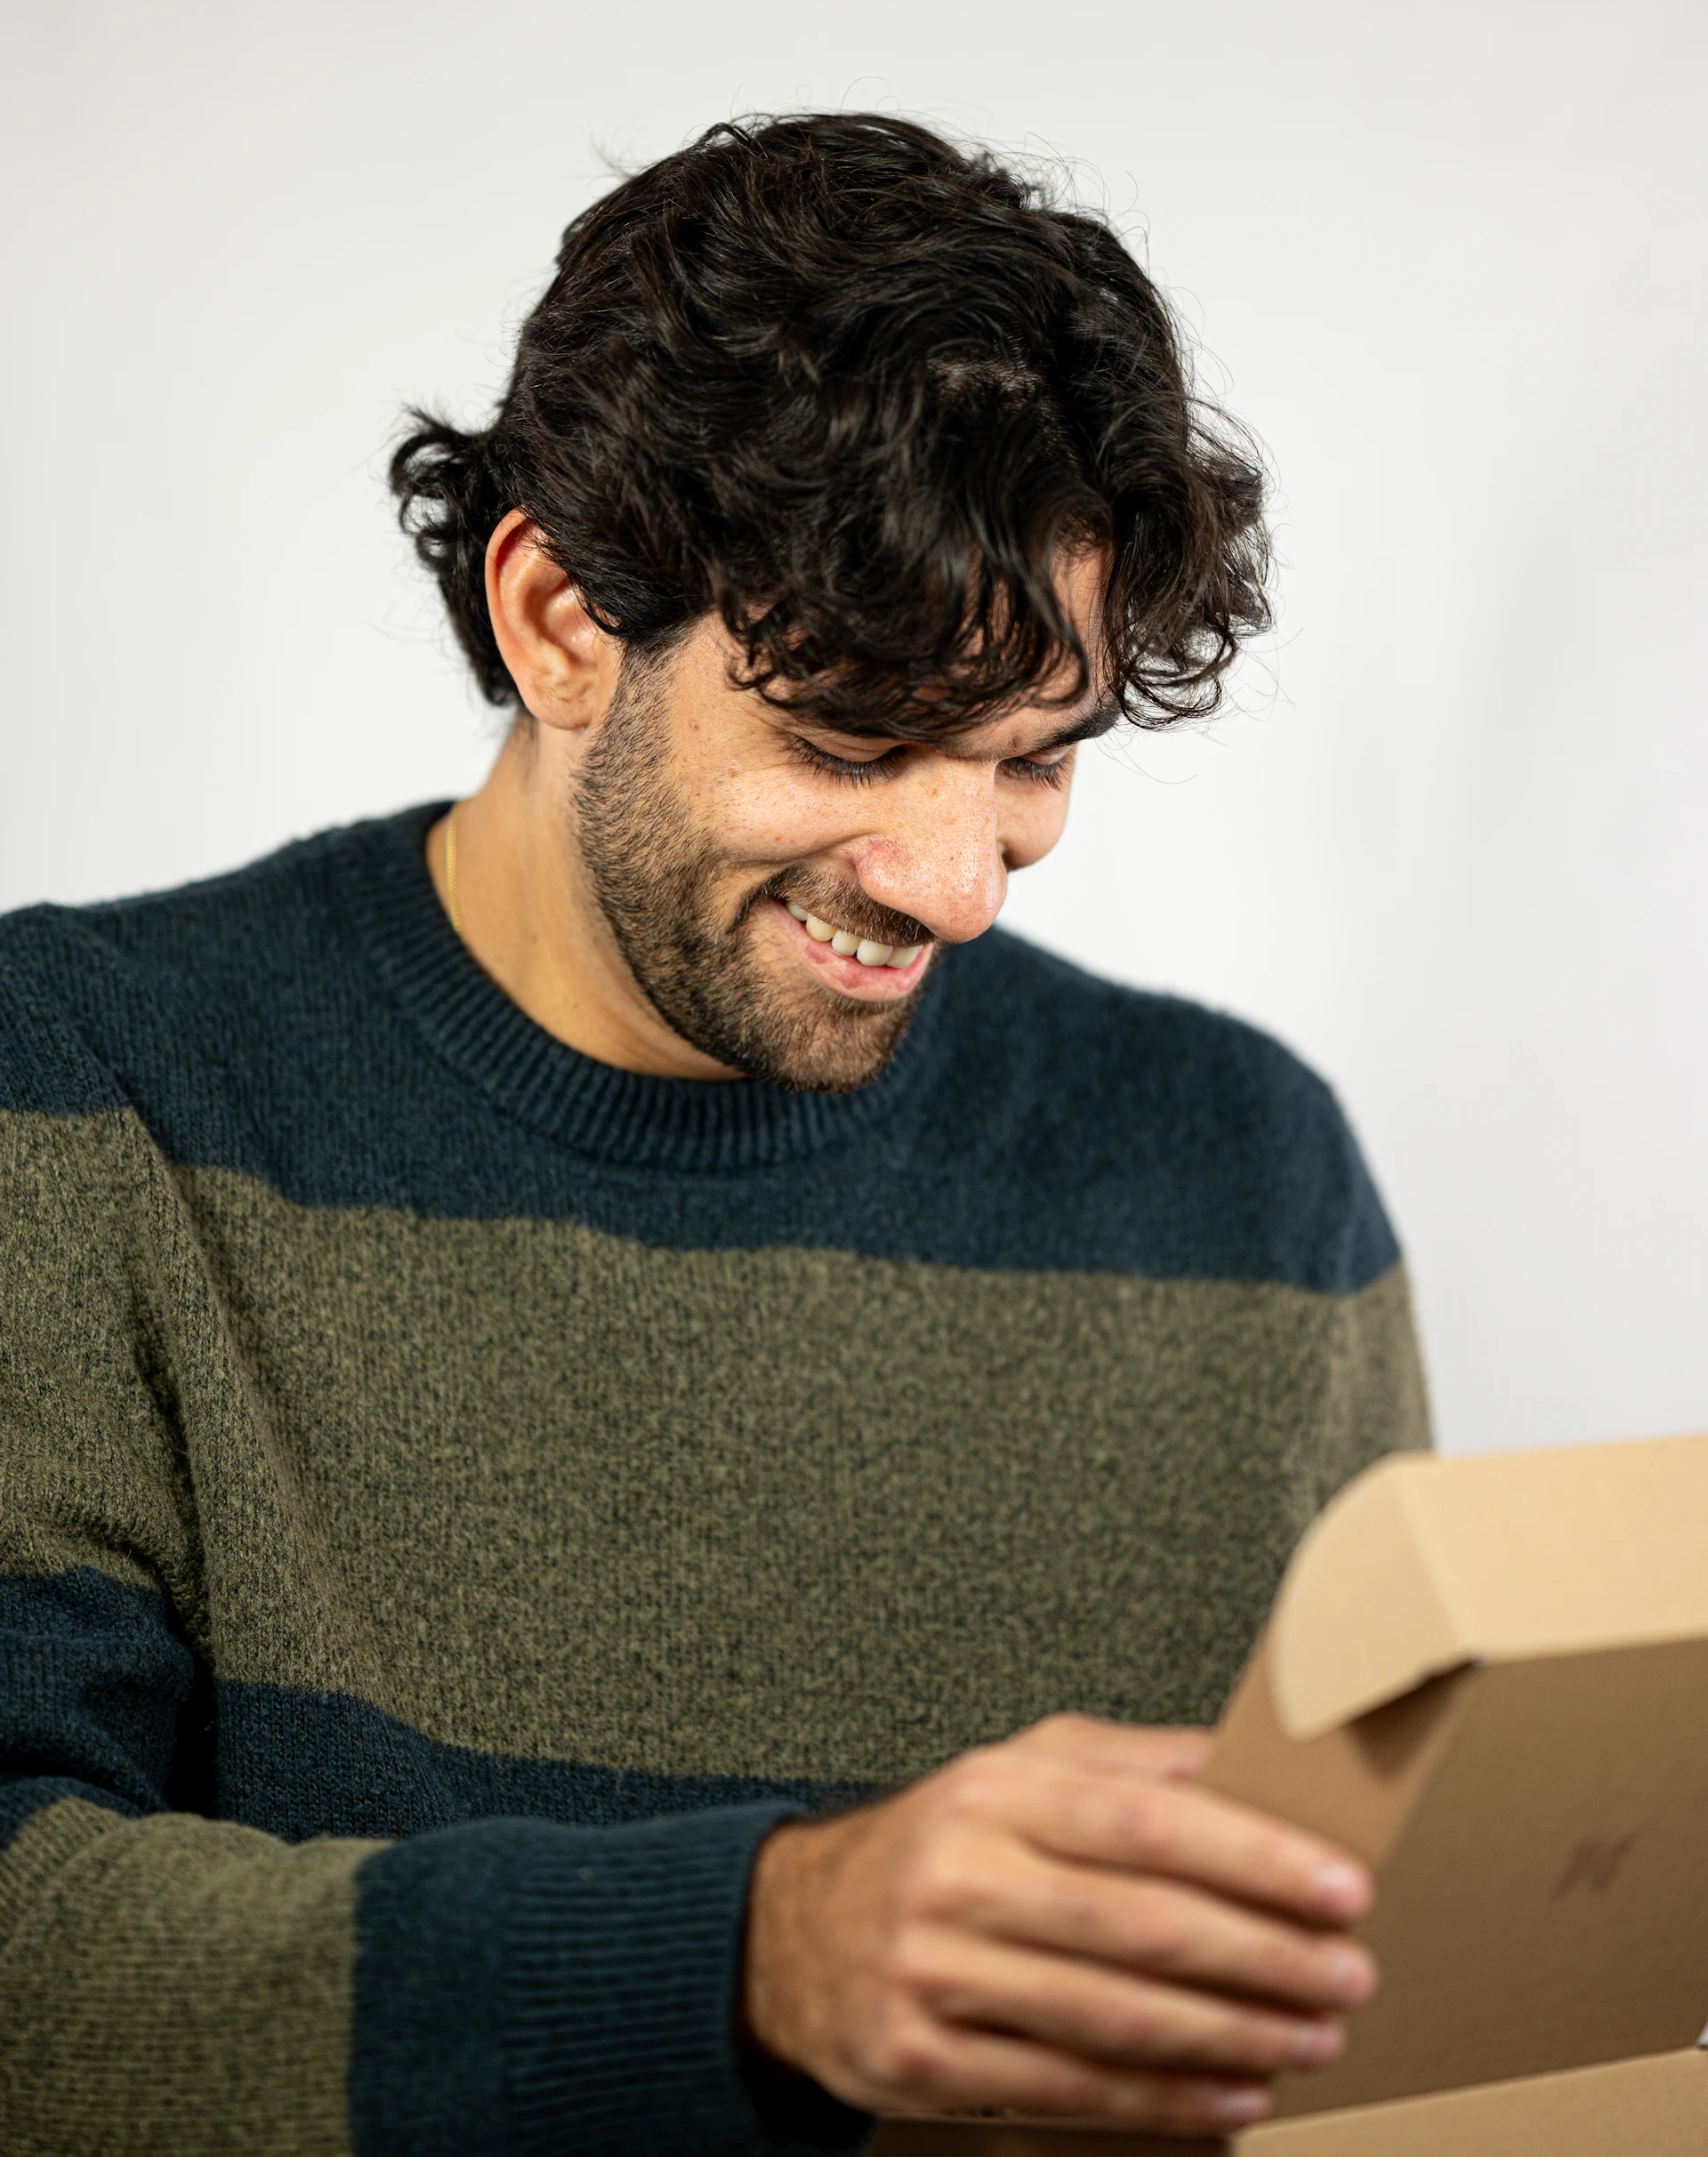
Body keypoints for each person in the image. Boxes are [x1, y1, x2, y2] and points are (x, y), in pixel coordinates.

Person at [0, 114, 1428, 2154]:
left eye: (1030, 757)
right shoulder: (79, 1092)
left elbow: (1380, 1998)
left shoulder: (1246, 1182)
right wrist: (754, 1956)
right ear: (560, 619)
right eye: (855, 733)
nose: (957, 881)